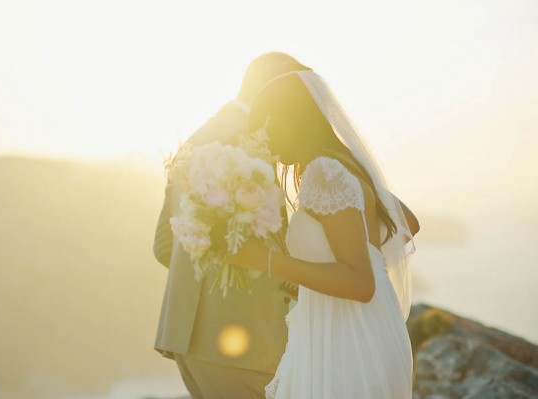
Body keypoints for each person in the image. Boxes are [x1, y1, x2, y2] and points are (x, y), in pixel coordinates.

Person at [229, 66, 420, 398]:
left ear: (287, 120)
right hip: (367, 330)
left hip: (350, 343)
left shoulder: (325, 171)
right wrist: (335, 273)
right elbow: (408, 224)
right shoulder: (344, 164)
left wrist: (266, 261)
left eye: (266, 127)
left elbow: (360, 283)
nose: (266, 141)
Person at [152, 52, 311, 399]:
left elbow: (165, 246)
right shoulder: (257, 142)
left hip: (187, 341)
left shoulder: (196, 138)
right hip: (246, 342)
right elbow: (270, 246)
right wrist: (307, 286)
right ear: (277, 89)